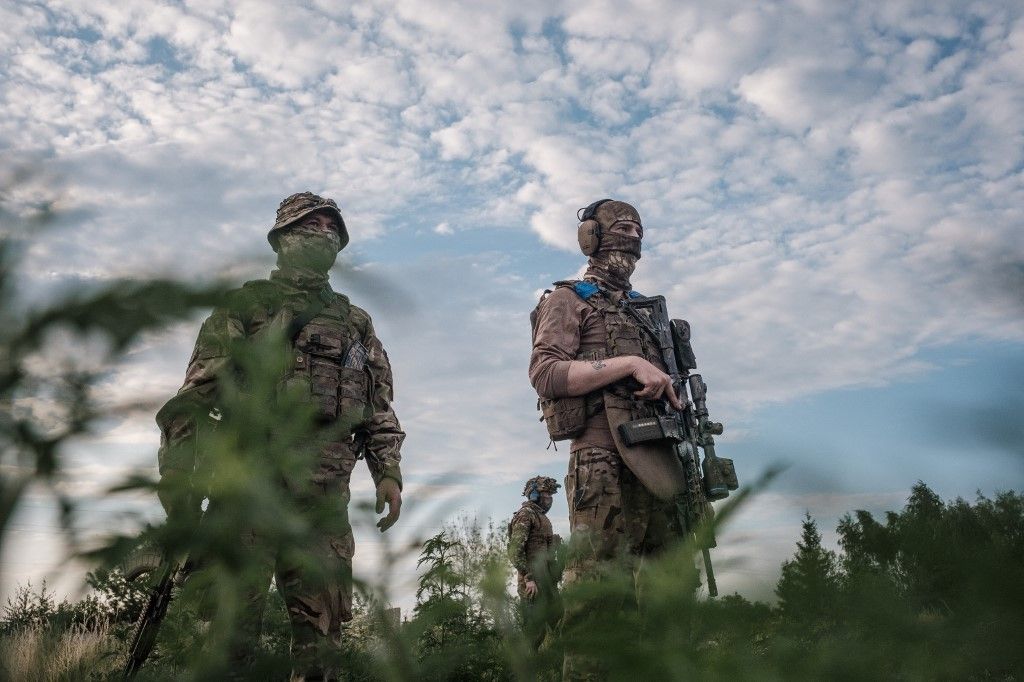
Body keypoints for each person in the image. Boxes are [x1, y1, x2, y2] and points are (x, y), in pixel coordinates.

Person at [155, 191, 404, 678]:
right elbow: (189, 405)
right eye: (311, 226)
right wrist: (180, 496)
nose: (323, 235)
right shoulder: (245, 309)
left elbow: (377, 407)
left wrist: (388, 471)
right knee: (229, 640)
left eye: (332, 228)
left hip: (323, 505)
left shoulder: (355, 323)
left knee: (322, 646)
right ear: (281, 239)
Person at [528, 199, 689, 679]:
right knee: (599, 604)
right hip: (602, 461)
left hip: (662, 460)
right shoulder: (568, 299)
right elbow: (546, 373)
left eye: (639, 229)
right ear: (590, 238)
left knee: (670, 605)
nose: (632, 237)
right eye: (621, 227)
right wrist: (628, 365)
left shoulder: (648, 314)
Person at [507, 475, 563, 650]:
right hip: (533, 584)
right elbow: (515, 551)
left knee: (560, 620)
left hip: (547, 582)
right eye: (545, 493)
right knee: (534, 634)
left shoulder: (542, 518)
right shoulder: (525, 515)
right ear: (534, 495)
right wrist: (528, 578)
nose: (549, 498)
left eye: (550, 494)